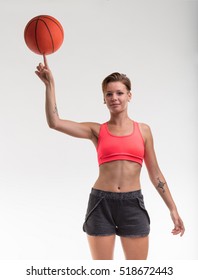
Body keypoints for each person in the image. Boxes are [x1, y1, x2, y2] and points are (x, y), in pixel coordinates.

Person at [35, 55, 185, 260]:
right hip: (101, 203)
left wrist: (173, 209)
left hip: (132, 205)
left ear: (129, 95)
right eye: (109, 94)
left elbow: (155, 173)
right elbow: (54, 122)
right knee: (103, 271)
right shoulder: (96, 130)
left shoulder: (144, 131)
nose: (114, 97)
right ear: (104, 99)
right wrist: (50, 85)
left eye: (120, 93)